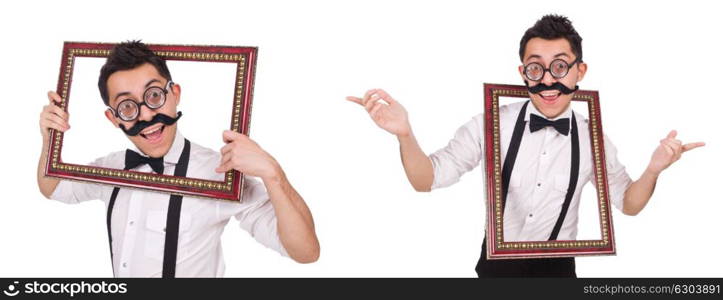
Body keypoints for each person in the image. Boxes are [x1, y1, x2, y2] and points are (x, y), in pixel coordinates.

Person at [346, 15, 704, 277]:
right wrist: (405, 134)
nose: (548, 80)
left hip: (560, 273)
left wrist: (654, 169)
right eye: (536, 68)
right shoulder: (489, 124)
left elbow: (628, 204)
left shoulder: (593, 137)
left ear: (580, 72)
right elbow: (427, 179)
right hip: (494, 270)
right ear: (523, 74)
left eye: (560, 67)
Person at [37, 41, 320, 277]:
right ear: (113, 118)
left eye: (154, 95)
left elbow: (305, 252)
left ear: (175, 94)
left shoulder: (219, 173)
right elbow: (54, 188)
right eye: (127, 106)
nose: (146, 115)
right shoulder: (112, 169)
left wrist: (273, 174)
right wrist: (49, 139)